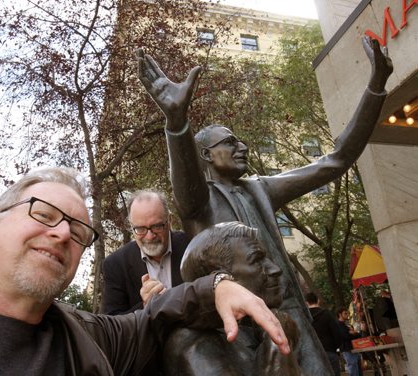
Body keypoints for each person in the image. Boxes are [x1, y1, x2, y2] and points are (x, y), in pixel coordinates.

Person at [137, 35, 393, 375]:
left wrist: (376, 85)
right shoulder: (199, 201)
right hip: (241, 327)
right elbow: (185, 175)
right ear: (206, 156)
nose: (241, 146)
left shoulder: (260, 189)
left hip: (294, 319)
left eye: (239, 141)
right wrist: (177, 123)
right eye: (230, 143)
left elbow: (337, 160)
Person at [0, 167, 290, 375]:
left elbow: (155, 319)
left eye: (78, 232)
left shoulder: (87, 337)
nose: (62, 233)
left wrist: (217, 286)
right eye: (44, 215)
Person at [164, 222, 301, 376]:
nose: (275, 269)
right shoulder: (191, 342)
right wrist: (277, 341)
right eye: (257, 260)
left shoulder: (256, 328)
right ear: (220, 276)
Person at [101, 189, 188, 315]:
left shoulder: (191, 244)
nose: (149, 236)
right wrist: (145, 305)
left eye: (157, 226)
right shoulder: (115, 264)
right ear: (131, 227)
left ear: (169, 221)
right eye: (140, 229)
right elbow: (112, 324)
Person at [305, 292, 342, 376]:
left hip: (312, 353)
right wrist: (336, 346)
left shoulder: (304, 317)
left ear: (306, 303)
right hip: (329, 351)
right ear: (318, 301)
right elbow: (336, 332)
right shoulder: (327, 314)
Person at [337, 307, 363, 376]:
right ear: (340, 314)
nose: (347, 315)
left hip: (353, 348)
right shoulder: (338, 324)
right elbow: (346, 336)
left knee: (358, 369)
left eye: (348, 313)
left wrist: (352, 333)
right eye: (345, 313)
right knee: (353, 369)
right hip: (347, 349)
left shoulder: (347, 325)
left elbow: (358, 335)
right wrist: (352, 333)